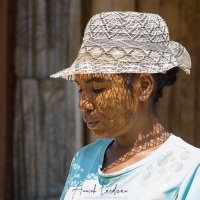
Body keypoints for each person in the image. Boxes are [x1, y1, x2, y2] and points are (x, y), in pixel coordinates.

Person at [51, 12, 200, 200]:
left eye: (97, 88)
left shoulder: (188, 168)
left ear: (143, 86)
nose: (83, 104)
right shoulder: (84, 159)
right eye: (81, 90)